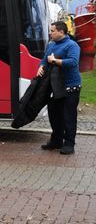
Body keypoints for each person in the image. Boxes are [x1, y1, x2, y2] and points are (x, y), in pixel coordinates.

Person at [37, 21, 82, 155]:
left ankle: (69, 144)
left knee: (68, 116)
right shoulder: (51, 45)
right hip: (54, 86)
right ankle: (56, 141)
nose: (50, 33)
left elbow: (73, 62)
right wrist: (41, 66)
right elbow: (45, 59)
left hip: (70, 87)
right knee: (54, 114)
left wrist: (55, 61)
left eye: (52, 30)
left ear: (61, 32)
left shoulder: (72, 45)